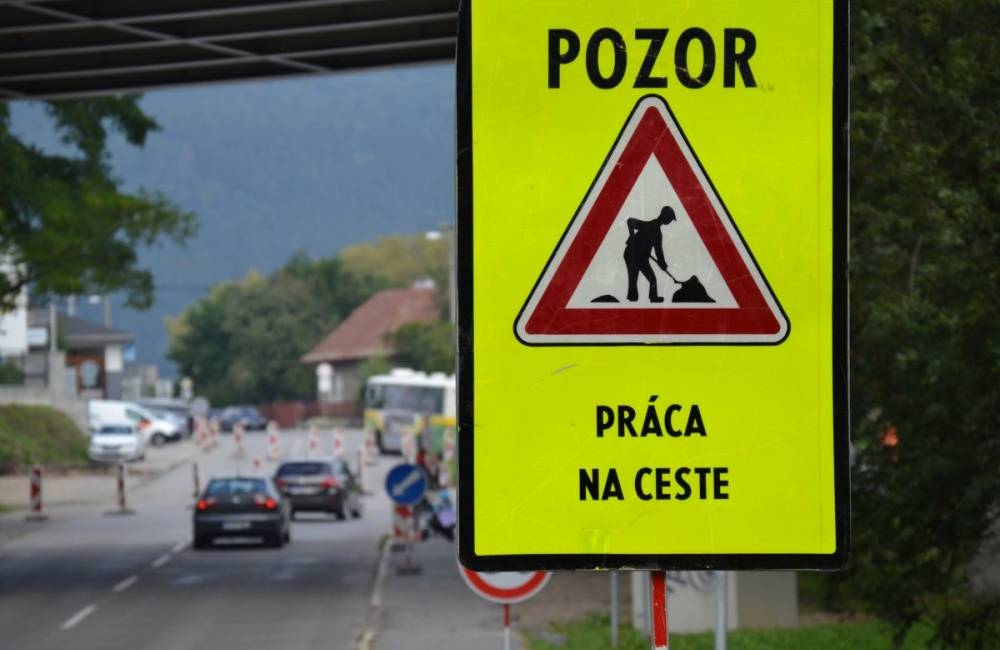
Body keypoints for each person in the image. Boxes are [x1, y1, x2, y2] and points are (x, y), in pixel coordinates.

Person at [624, 205, 677, 302]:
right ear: (665, 216)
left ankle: (652, 297)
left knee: (652, 279)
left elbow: (658, 251)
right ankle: (633, 300)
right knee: (633, 278)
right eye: (670, 218)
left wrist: (662, 263)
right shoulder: (650, 225)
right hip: (632, 253)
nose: (670, 221)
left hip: (642, 257)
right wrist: (632, 235)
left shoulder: (657, 232)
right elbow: (630, 221)